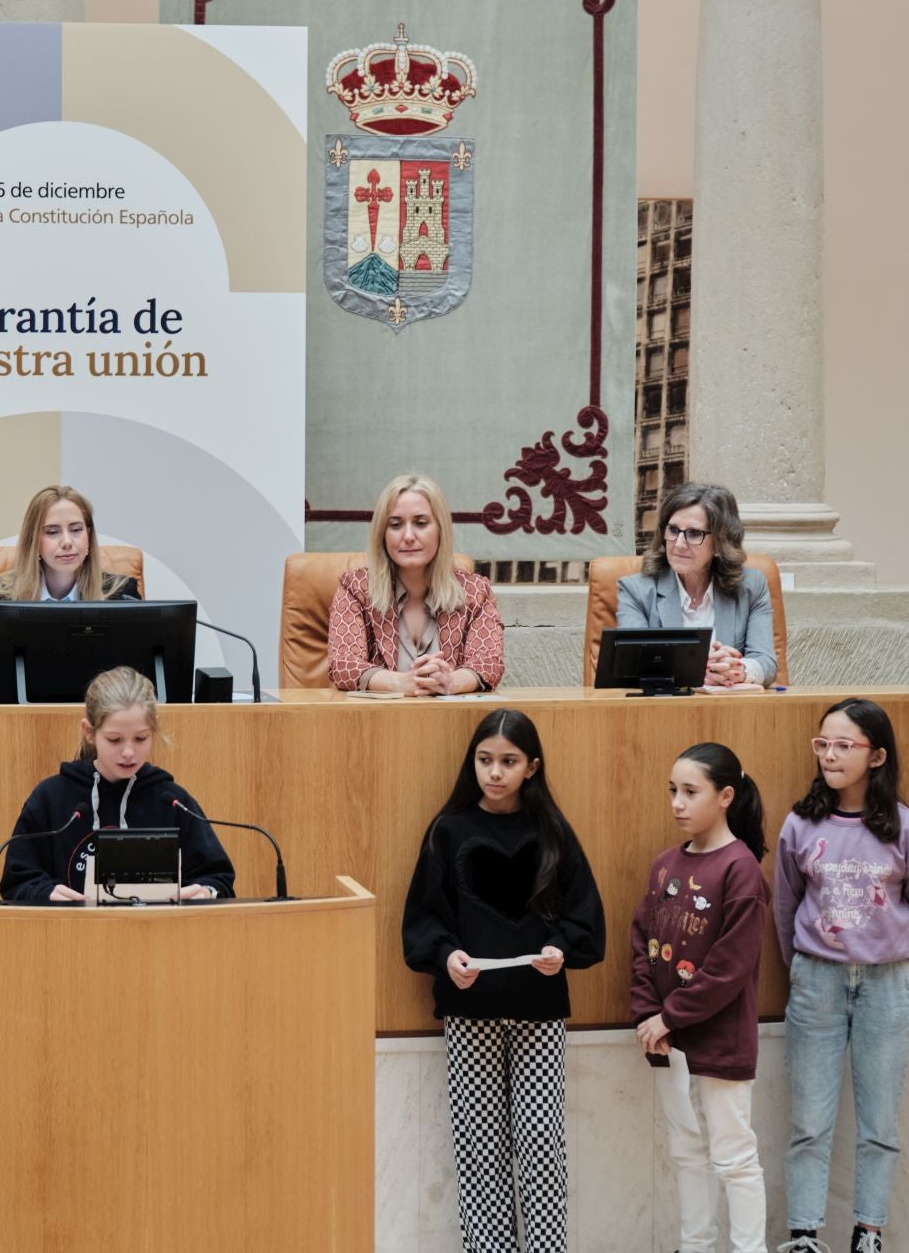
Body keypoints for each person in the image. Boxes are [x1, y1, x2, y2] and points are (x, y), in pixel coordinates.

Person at [401, 709, 604, 1253]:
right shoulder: (450, 829)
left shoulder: (553, 831)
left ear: (532, 767)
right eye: (485, 760)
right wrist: (446, 957)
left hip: (539, 1014)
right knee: (479, 1145)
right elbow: (424, 916)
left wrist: (560, 950)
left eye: (508, 762)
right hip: (469, 1014)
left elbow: (583, 917)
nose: (495, 772)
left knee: (540, 1143)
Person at [774, 700, 909, 1253]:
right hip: (816, 982)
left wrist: (884, 952)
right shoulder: (801, 824)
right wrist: (806, 964)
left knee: (879, 1125)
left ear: (877, 756)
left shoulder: (908, 830)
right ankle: (804, 1234)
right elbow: (784, 907)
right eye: (823, 744)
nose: (831, 755)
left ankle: (869, 1232)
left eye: (845, 745)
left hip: (886, 986)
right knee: (809, 1123)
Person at [631, 742, 771, 1253]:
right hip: (670, 1043)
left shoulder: (741, 871)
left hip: (721, 1044)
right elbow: (642, 945)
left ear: (726, 796)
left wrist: (668, 1017)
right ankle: (695, 1245)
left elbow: (731, 967)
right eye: (673, 790)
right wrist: (650, 1018)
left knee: (733, 1157)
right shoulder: (665, 866)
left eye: (691, 791)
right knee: (687, 1153)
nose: (677, 803)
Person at [0, 666, 232, 902]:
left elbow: (218, 877)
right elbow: (16, 881)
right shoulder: (51, 798)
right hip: (70, 935)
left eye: (141, 738)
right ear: (89, 732)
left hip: (157, 935)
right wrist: (43, 893)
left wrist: (206, 891)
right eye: (114, 740)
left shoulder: (172, 801)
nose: (129, 752)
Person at [327, 473, 504, 695]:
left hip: (451, 724)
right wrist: (401, 683)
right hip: (376, 725)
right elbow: (343, 666)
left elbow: (489, 664)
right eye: (395, 524)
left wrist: (450, 681)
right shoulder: (355, 588)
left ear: (440, 530)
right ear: (382, 534)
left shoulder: (475, 592)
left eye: (421, 523)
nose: (408, 536)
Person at [0, 485, 138, 683]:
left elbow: (143, 676)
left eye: (76, 530)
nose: (67, 541)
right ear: (33, 540)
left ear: (89, 536)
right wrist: (24, 679)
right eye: (52, 532)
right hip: (24, 713)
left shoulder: (120, 594)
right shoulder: (2, 596)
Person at [617, 482, 777, 688]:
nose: (679, 544)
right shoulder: (636, 591)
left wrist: (737, 670)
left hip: (732, 712)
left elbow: (767, 663)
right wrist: (698, 671)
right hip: (663, 712)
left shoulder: (751, 586)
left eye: (694, 534)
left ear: (721, 541)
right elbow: (633, 665)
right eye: (673, 530)